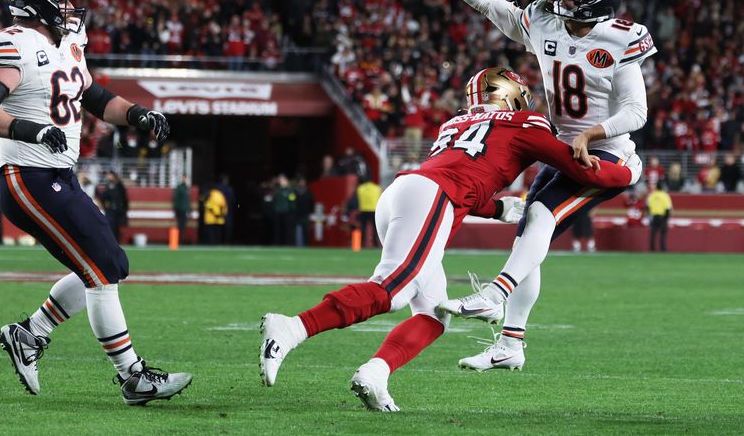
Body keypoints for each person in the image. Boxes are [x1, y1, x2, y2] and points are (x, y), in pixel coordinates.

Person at [259, 68, 639, 411]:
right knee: (392, 290)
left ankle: (375, 373)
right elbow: (581, 168)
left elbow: (466, 178)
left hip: (403, 194)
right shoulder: (526, 123)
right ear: (511, 94)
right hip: (430, 197)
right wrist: (628, 172)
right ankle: (291, 328)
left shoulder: (454, 123)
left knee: (434, 313)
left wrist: (496, 209)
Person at [404, 0, 651, 370]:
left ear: (596, 1)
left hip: (607, 155)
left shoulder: (622, 37)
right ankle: (511, 346)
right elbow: (490, 3)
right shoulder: (545, 22)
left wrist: (590, 134)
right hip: (565, 151)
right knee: (529, 240)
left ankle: (495, 296)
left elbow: (636, 111)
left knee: (537, 217)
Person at [0, 0, 190, 403]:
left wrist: (138, 114)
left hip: (57, 174)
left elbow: (93, 97)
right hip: (25, 175)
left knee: (110, 264)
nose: (71, 7)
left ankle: (30, 334)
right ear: (41, 1)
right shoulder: (16, 45)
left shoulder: (68, 42)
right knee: (102, 267)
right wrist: (29, 130)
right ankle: (134, 376)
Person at [347, 176, 382, 248]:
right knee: (375, 229)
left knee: (363, 228)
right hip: (374, 211)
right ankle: (376, 244)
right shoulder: (377, 188)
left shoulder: (360, 188)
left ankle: (362, 244)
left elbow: (354, 200)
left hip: (364, 210)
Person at [98, 171, 128, 243]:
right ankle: (112, 241)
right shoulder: (108, 185)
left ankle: (116, 241)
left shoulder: (119, 185)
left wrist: (125, 209)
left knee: (117, 226)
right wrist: (105, 205)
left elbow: (124, 197)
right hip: (110, 209)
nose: (108, 177)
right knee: (110, 225)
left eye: (110, 175)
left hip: (118, 209)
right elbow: (103, 197)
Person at [646, 182, 673, 252]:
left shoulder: (652, 195)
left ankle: (652, 249)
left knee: (653, 234)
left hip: (654, 217)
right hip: (662, 217)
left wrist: (649, 217)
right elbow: (668, 207)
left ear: (656, 187)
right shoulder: (665, 195)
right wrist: (667, 218)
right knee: (663, 234)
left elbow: (647, 207)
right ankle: (662, 249)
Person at [172, 176, 191, 241]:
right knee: (180, 224)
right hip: (180, 209)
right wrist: (176, 208)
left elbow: (187, 200)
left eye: (185, 178)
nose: (184, 180)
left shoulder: (186, 188)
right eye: (183, 178)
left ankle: (182, 239)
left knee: (183, 224)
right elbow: (175, 199)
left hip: (184, 209)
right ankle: (179, 239)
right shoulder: (179, 188)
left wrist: (189, 209)